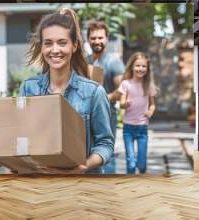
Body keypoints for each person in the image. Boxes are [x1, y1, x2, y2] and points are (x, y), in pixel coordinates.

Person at [19, 8, 114, 174]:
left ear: (74, 45)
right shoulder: (29, 88)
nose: (55, 50)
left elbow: (105, 144)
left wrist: (84, 166)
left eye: (62, 42)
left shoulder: (94, 93)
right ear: (41, 47)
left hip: (83, 187)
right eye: (48, 43)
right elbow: (21, 135)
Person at [86, 21, 125, 173]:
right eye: (93, 38)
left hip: (107, 115)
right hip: (86, 116)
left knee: (105, 153)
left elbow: (121, 90)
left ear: (107, 39)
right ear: (88, 39)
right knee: (88, 154)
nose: (97, 41)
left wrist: (101, 100)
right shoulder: (85, 61)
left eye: (100, 38)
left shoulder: (113, 62)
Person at [118, 52, 158, 174]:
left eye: (143, 66)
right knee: (130, 162)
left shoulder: (148, 86)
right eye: (137, 66)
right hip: (128, 128)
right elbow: (121, 104)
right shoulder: (126, 84)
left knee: (141, 165)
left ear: (147, 68)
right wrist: (126, 104)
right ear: (132, 67)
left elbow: (152, 104)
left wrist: (150, 112)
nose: (140, 69)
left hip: (142, 128)